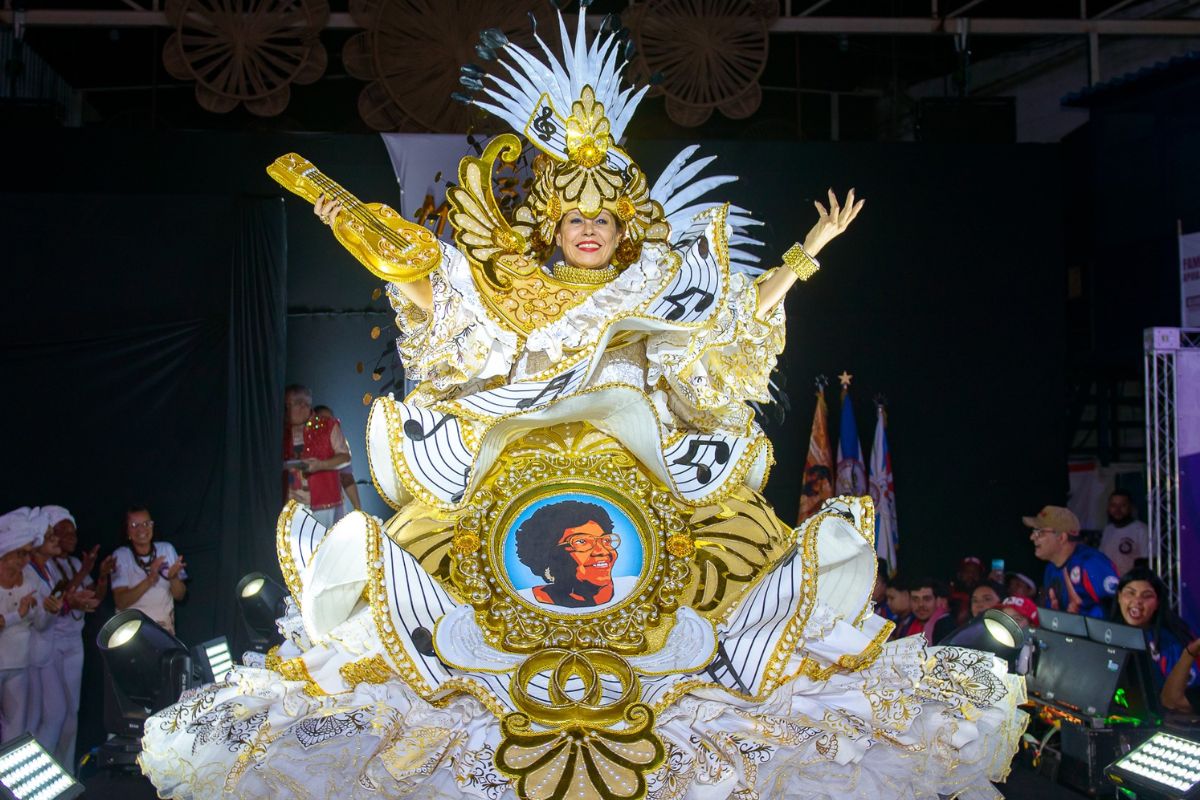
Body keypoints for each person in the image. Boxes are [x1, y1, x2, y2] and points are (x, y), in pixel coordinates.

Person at [139, 11, 1024, 799]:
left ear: (625, 224)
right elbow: (444, 306)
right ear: (553, 225)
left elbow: (719, 336)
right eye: (575, 217)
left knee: (744, 554)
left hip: (651, 477)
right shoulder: (506, 288)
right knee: (418, 563)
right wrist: (377, 245)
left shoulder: (659, 286)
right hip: (512, 476)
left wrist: (802, 256)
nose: (591, 229)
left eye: (604, 217)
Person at [42, 505, 110, 767]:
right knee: (53, 714)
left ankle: (66, 769)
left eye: (74, 532)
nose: (72, 537)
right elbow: (59, 598)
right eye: (65, 532)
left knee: (71, 713)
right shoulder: (45, 566)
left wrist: (101, 576)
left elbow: (93, 598)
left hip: (73, 642)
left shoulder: (73, 562)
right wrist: (84, 571)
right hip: (50, 643)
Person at [0, 508, 59, 743]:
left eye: (28, 553)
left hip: (19, 664)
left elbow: (40, 624)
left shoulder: (31, 578)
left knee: (16, 731)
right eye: (21, 553)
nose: (26, 560)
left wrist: (51, 611)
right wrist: (17, 615)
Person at [514, 500, 634, 609]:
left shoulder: (632, 587)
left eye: (606, 540)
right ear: (548, 555)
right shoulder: (521, 602)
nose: (603, 551)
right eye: (581, 541)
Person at [1111, 567, 1197, 692]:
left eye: (1146, 596)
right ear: (1119, 597)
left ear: (1157, 603)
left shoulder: (1171, 644)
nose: (1137, 601)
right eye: (1130, 593)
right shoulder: (1107, 633)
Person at [1026, 504, 1118, 618]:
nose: (1032, 537)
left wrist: (1082, 617)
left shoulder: (1091, 563)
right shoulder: (1051, 567)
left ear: (1062, 537)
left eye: (1039, 532)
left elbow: (1115, 608)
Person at [111, 505, 187, 635]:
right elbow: (121, 602)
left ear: (152, 526)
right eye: (135, 525)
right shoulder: (121, 555)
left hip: (164, 632)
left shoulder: (166, 549)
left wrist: (173, 578)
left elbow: (180, 596)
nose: (142, 529)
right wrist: (150, 579)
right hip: (131, 635)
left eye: (146, 523)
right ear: (127, 531)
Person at [283, 386, 351, 527]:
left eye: (290, 405)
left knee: (320, 538)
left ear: (304, 405)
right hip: (289, 503)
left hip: (322, 503)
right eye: (286, 406)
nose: (286, 410)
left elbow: (345, 457)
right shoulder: (281, 429)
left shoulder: (327, 425)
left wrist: (321, 465)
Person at [314, 404, 362, 512]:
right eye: (324, 420)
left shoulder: (340, 452)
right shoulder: (305, 444)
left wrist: (358, 510)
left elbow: (347, 479)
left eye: (331, 421)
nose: (329, 425)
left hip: (334, 507)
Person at [1099, 489, 1149, 578]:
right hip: (1108, 581)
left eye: (1123, 505)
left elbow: (1146, 561)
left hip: (1130, 582)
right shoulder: (1108, 530)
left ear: (1130, 507)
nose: (1117, 510)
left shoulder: (1141, 530)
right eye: (1113, 505)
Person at [906, 578, 957, 644]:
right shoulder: (910, 623)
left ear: (938, 600)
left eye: (927, 599)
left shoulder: (945, 625)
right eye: (915, 599)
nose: (920, 604)